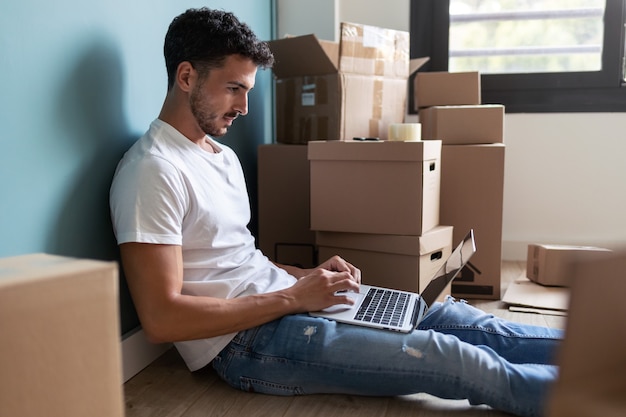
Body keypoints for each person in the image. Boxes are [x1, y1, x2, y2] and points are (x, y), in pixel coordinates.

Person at [110, 8, 562, 417]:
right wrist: (295, 298)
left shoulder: (220, 157)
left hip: (284, 299)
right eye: (233, 89)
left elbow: (240, 260)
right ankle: (592, 395)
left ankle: (602, 354)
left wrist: (308, 276)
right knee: (455, 359)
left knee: (461, 321)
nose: (244, 107)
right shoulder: (153, 171)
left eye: (247, 91)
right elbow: (162, 318)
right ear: (186, 76)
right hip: (245, 344)